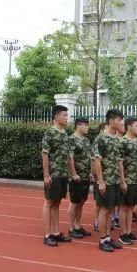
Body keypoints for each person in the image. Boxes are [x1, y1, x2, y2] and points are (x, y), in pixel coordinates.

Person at [93, 109, 125, 252]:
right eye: (119, 120)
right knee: (104, 210)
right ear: (111, 121)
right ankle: (102, 240)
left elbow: (119, 162)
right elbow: (97, 161)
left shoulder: (117, 139)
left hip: (115, 181)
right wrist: (100, 181)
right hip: (106, 181)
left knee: (111, 210)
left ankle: (107, 237)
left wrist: (122, 181)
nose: (121, 123)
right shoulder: (101, 138)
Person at [41, 105, 73, 247]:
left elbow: (68, 155)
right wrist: (47, 175)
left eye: (67, 115)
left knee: (57, 203)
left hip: (63, 174)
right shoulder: (50, 133)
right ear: (57, 116)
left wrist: (71, 172)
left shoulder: (65, 133)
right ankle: (47, 234)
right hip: (53, 174)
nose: (67, 118)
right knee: (49, 203)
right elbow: (45, 154)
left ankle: (56, 232)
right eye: (65, 115)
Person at [119, 117, 137, 244]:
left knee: (130, 207)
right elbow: (120, 163)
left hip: (135, 180)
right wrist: (122, 181)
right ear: (129, 127)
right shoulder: (122, 142)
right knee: (124, 207)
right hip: (127, 180)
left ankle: (129, 232)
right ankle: (122, 233)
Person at [67, 117, 93, 239]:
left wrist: (91, 172)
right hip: (76, 177)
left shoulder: (86, 140)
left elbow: (89, 157)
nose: (88, 127)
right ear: (78, 125)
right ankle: (71, 228)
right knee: (74, 202)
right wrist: (73, 174)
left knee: (81, 202)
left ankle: (78, 225)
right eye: (85, 125)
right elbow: (70, 158)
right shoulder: (71, 140)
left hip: (86, 176)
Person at [93, 123, 106, 232]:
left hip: (107, 176)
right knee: (99, 202)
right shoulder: (99, 140)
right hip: (99, 176)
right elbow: (94, 160)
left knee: (106, 205)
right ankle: (96, 221)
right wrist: (95, 175)